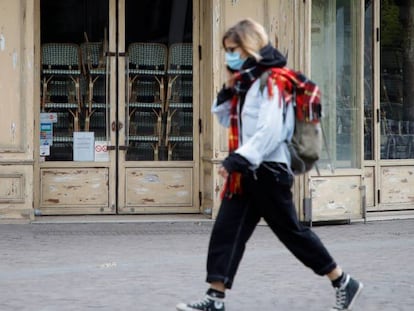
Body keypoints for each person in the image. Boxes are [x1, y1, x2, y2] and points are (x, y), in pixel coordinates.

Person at [176, 18, 363, 311]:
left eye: (233, 49)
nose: (229, 56)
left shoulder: (274, 80)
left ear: (249, 47)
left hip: (269, 171)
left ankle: (342, 281)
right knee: (227, 230)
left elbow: (270, 130)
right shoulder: (246, 82)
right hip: (248, 172)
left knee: (292, 233)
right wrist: (227, 92)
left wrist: (237, 158)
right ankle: (215, 298)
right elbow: (228, 120)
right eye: (226, 50)